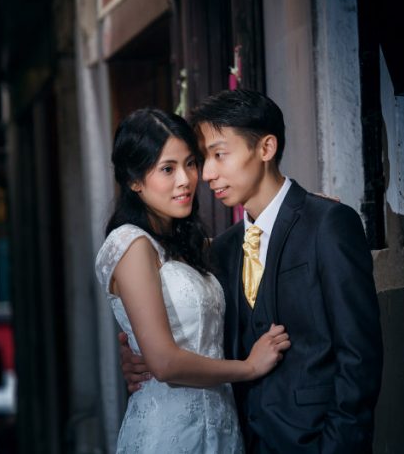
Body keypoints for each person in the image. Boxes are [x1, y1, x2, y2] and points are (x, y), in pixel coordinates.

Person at [121, 90, 383, 453]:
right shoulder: (222, 250)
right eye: (203, 159)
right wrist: (137, 352)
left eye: (218, 155)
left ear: (266, 148)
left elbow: (359, 356)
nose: (207, 175)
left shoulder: (328, 223)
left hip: (316, 442)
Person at [95, 108, 291, 454]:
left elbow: (246, 237)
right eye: (167, 169)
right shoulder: (130, 245)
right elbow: (164, 363)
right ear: (134, 180)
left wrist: (302, 210)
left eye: (190, 163)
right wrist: (249, 367)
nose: (185, 179)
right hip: (168, 434)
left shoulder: (186, 245)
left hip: (220, 427)